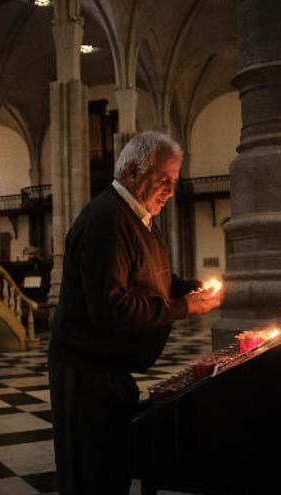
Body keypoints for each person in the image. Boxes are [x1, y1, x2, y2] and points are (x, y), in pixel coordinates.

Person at [48, 131, 224, 494]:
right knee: (92, 476)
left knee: (114, 467)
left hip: (110, 371)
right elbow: (112, 309)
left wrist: (189, 287)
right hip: (85, 376)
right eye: (164, 181)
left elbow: (151, 276)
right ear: (131, 170)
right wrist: (183, 307)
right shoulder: (106, 221)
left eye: (174, 183)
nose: (170, 192)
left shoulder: (137, 216)